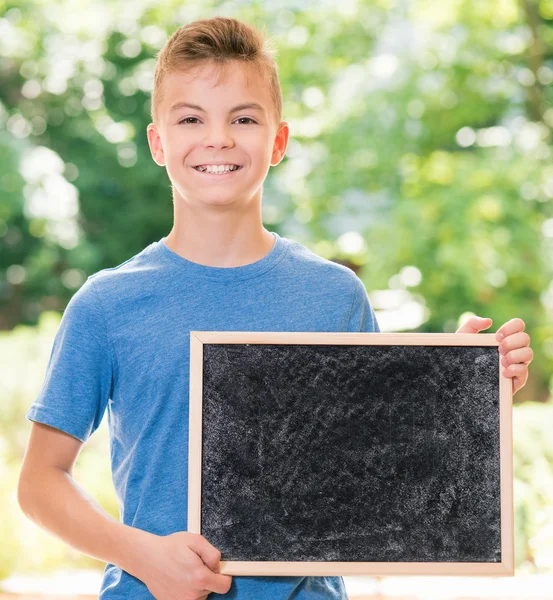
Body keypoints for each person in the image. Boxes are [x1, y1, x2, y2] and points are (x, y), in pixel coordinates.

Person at [17, 16, 533, 600]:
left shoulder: (334, 296)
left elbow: (377, 468)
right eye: (191, 119)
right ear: (159, 142)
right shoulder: (108, 304)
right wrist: (143, 554)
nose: (218, 139)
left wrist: (456, 383)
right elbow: (39, 483)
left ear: (278, 142)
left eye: (243, 118)